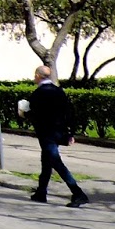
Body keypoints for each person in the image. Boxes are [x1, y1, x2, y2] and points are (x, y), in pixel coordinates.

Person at [20, 65, 88, 207]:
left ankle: (78, 193)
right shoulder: (59, 91)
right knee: (46, 162)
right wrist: (70, 133)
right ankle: (41, 192)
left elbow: (35, 115)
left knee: (56, 162)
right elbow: (69, 112)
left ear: (38, 76)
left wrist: (23, 114)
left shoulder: (38, 94)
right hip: (59, 132)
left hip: (47, 134)